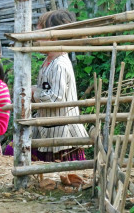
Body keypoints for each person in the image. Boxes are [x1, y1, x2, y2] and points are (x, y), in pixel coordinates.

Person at [30, 9, 89, 162]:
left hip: (62, 130)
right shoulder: (48, 62)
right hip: (49, 126)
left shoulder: (59, 65)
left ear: (53, 36)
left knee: (65, 172)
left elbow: (56, 98)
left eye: (39, 34)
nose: (36, 39)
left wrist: (35, 92)